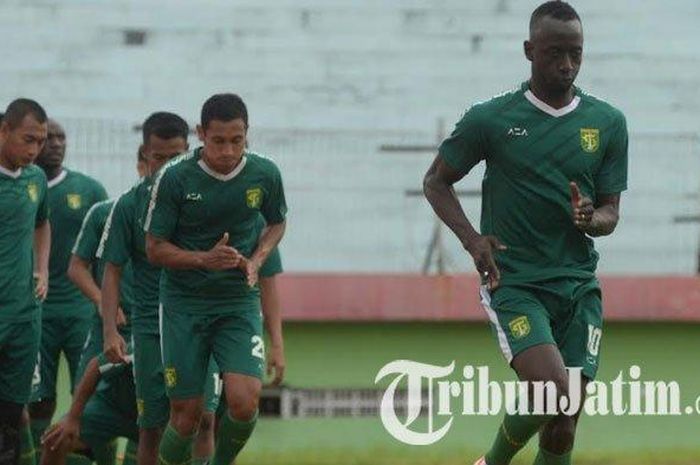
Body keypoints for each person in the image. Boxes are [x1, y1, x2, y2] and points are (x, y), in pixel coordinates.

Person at [422, 2, 628, 465]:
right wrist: (473, 240)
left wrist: (590, 219)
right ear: (529, 50)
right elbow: (436, 182)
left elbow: (611, 214)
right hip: (514, 282)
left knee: (563, 421)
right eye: (555, 53)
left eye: (576, 53)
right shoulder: (491, 119)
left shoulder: (608, 123)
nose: (567, 65)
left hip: (577, 287)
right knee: (555, 393)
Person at [144, 94, 286, 465]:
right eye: (218, 140)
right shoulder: (175, 177)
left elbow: (277, 222)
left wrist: (257, 259)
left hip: (235, 302)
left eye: (236, 140)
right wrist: (204, 259)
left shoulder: (265, 174)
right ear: (200, 134)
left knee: (244, 400)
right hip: (183, 304)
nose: (228, 150)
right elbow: (154, 248)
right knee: (187, 417)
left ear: (247, 134)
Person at [100, 112, 218, 465]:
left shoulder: (208, 199)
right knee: (151, 426)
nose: (167, 166)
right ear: (145, 156)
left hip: (199, 324)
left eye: (176, 157)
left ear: (190, 151)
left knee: (205, 419)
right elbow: (112, 271)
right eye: (159, 158)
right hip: (151, 328)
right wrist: (109, 331)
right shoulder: (128, 204)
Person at [30, 119, 108, 449]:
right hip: (35, 310)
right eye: (49, 138)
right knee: (37, 399)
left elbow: (107, 253)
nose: (57, 144)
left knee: (88, 398)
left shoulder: (90, 190)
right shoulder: (22, 189)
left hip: (81, 311)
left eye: (62, 138)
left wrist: (107, 302)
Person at [68, 195, 137, 465]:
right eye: (158, 158)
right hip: (105, 331)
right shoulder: (104, 212)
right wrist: (103, 301)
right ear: (141, 164)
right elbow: (76, 268)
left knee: (148, 412)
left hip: (153, 330)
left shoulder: (182, 213)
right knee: (82, 412)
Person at [0, 99, 50, 465]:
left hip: (23, 316)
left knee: (11, 415)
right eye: (27, 139)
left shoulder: (35, 179)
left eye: (40, 141)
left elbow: (42, 223)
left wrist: (42, 269)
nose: (34, 150)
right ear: (4, 131)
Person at [39, 345, 138, 465]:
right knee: (57, 438)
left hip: (150, 419)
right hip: (110, 407)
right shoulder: (142, 346)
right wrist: (72, 418)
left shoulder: (166, 355)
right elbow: (97, 366)